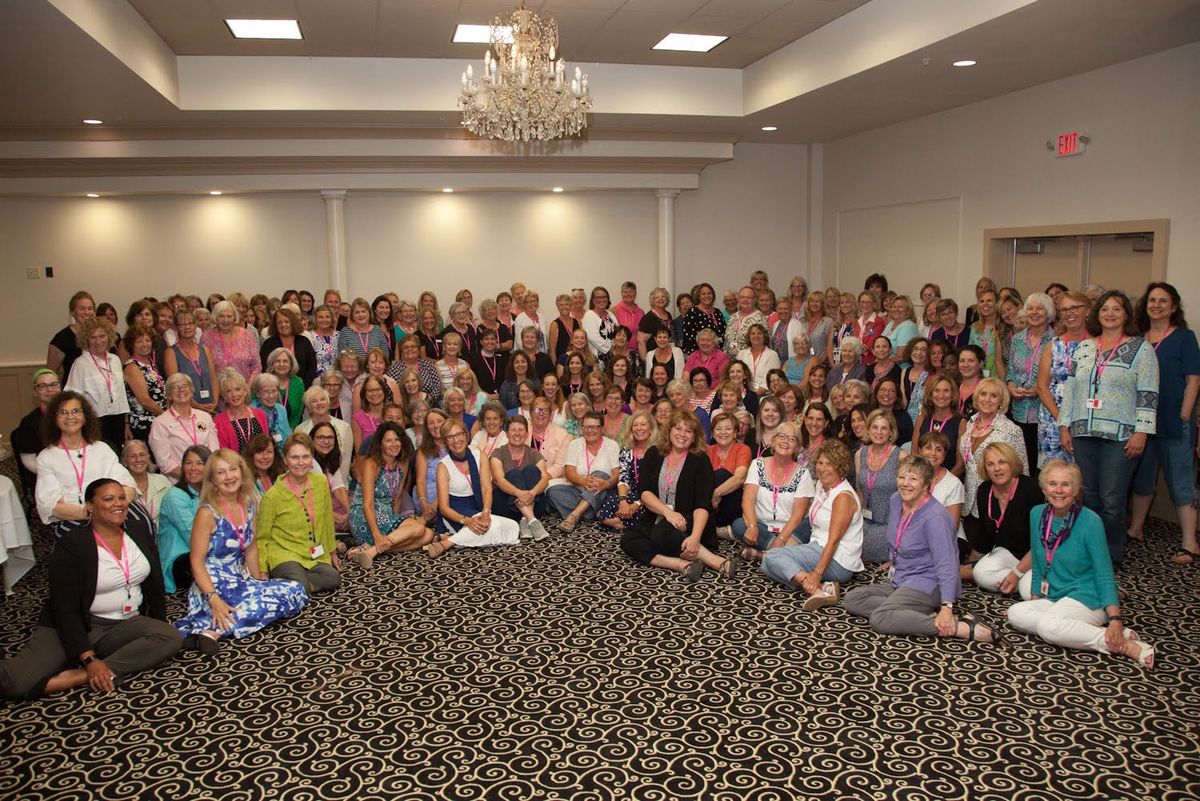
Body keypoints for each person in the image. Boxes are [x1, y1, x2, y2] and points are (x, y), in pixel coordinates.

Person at [0, 478, 182, 700]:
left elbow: (154, 585)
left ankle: (79, 676)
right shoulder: (72, 543)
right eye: (108, 499)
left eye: (122, 497)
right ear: (89, 506)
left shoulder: (137, 530)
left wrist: (156, 619)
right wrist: (88, 658)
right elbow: (64, 608)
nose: (118, 503)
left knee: (169, 637)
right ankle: (89, 662)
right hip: (78, 624)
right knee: (15, 683)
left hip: (123, 623)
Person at [1007, 460, 1154, 668]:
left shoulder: (1090, 521)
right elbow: (1039, 561)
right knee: (1016, 613)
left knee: (1049, 627)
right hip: (1056, 594)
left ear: (1076, 490)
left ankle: (1119, 644)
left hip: (1088, 596)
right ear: (1043, 488)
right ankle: (1109, 633)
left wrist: (1114, 618)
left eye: (1066, 484)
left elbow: (1104, 573)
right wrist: (1035, 601)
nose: (1058, 491)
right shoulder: (1037, 514)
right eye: (1052, 484)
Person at [844, 455, 1003, 645]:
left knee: (880, 618)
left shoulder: (935, 516)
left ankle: (958, 627)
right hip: (901, 578)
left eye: (913, 479)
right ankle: (908, 612)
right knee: (853, 599)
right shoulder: (896, 500)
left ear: (927, 484)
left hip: (928, 584)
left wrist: (946, 607)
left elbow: (948, 564)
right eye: (902, 477)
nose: (905, 483)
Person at [1057, 290, 1158, 567]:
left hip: (1121, 436)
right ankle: (1089, 552)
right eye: (1105, 309)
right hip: (1083, 432)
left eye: (1117, 309)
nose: (1110, 314)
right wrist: (1065, 425)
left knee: (1112, 500)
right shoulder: (1085, 348)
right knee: (1088, 497)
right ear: (1097, 314)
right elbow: (1072, 392)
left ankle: (1111, 557)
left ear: (1126, 314)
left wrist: (1142, 431)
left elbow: (1148, 393)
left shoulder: (1141, 349)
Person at [174, 449, 308, 654]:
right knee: (262, 602)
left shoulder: (250, 503)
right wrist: (214, 599)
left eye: (233, 469)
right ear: (212, 479)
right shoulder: (206, 513)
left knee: (295, 590)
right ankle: (215, 628)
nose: (229, 477)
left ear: (241, 471)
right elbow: (196, 562)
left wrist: (258, 580)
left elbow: (252, 548)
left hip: (240, 577)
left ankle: (214, 629)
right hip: (212, 582)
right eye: (221, 473)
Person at [1128, 282, 1200, 561]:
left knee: (1180, 481)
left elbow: (1194, 379)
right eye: (1152, 301)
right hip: (1142, 423)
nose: (1156, 305)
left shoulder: (1184, 338)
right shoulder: (1137, 338)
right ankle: (1136, 528)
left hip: (1174, 421)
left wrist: (1184, 414)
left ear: (1173, 306)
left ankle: (1189, 542)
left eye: (1163, 301)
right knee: (1142, 478)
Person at [619, 410, 731, 581]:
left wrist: (695, 537)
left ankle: (717, 562)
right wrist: (667, 513)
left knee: (660, 534)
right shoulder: (654, 453)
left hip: (689, 518)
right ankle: (680, 564)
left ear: (694, 437)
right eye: (678, 428)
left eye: (688, 431)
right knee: (628, 540)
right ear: (669, 430)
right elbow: (645, 492)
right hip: (658, 515)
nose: (682, 434)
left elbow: (703, 504)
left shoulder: (700, 460)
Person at [761, 439, 864, 609]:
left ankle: (815, 587)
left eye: (829, 464)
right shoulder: (822, 486)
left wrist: (817, 573)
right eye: (820, 463)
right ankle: (823, 588)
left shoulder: (843, 497)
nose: (822, 469)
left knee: (773, 557)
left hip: (838, 559)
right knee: (766, 564)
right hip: (818, 547)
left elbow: (833, 541)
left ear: (839, 467)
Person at [35, 392, 136, 537]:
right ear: (54, 419)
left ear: (85, 417)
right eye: (63, 413)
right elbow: (50, 506)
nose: (70, 417)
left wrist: (111, 506)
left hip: (113, 516)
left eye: (75, 411)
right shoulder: (46, 457)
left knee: (139, 530)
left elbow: (129, 487)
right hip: (73, 522)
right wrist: (91, 512)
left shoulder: (102, 449)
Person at [255, 434, 341, 595]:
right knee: (303, 584)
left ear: (312, 458)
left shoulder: (321, 482)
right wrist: (262, 570)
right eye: (295, 457)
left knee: (334, 578)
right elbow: (262, 537)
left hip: (313, 553)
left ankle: (293, 585)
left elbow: (327, 519)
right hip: (284, 553)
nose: (301, 463)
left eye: (305, 457)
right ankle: (297, 582)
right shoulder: (273, 496)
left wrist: (332, 552)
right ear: (285, 460)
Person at [425, 418, 522, 557]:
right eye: (450, 437)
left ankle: (451, 540)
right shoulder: (443, 466)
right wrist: (466, 521)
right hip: (456, 510)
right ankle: (446, 543)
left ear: (466, 435)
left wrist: (487, 512)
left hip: (479, 506)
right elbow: (444, 508)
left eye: (459, 434)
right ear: (446, 441)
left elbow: (487, 489)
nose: (456, 440)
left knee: (513, 527)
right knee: (490, 527)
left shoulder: (478, 454)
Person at [959, 378, 1030, 550]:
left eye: (994, 396)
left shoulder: (1011, 430)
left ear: (1001, 401)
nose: (987, 399)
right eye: (983, 394)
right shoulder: (970, 423)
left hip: (997, 503)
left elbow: (1022, 470)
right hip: (970, 502)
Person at [969, 442, 1042, 597]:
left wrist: (1016, 572)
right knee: (980, 573)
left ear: (1012, 463)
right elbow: (984, 537)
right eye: (990, 464)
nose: (997, 469)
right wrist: (968, 565)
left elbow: (1042, 542)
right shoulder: (984, 491)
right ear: (985, 469)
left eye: (1002, 462)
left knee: (1029, 592)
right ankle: (1018, 583)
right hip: (1008, 554)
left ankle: (1018, 582)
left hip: (1036, 555)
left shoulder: (1031, 489)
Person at [733, 421, 812, 562]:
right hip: (761, 526)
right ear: (773, 441)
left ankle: (766, 554)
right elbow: (747, 500)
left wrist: (781, 539)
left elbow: (798, 516)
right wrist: (752, 526)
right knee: (739, 525)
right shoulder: (757, 464)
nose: (786, 441)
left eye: (792, 439)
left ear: (797, 447)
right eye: (782, 436)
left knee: (810, 525)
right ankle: (784, 553)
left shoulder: (803, 473)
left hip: (790, 530)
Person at [1004, 293, 1055, 467]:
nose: (1034, 312)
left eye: (1039, 308)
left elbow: (1058, 376)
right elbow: (1010, 371)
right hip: (1018, 410)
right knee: (1020, 462)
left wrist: (1039, 389)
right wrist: (1010, 386)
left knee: (1041, 465)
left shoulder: (1056, 340)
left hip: (1044, 412)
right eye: (1030, 308)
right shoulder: (1017, 339)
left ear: (1048, 312)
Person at [548, 411, 620, 531]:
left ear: (601, 428)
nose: (589, 430)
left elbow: (617, 474)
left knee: (600, 474)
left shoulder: (612, 445)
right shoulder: (575, 444)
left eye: (593, 427)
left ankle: (574, 515)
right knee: (552, 492)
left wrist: (606, 483)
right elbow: (569, 471)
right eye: (586, 427)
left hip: (604, 490)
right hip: (579, 488)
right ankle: (592, 512)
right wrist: (583, 481)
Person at [64, 317, 128, 451]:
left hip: (118, 419)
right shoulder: (80, 364)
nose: (98, 341)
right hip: (95, 423)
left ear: (109, 336)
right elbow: (71, 398)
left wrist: (126, 423)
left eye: (102, 336)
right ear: (85, 339)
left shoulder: (115, 360)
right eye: (93, 337)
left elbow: (121, 394)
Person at [489, 414, 551, 540]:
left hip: (534, 502)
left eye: (521, 430)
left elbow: (545, 478)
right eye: (513, 430)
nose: (517, 433)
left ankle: (525, 519)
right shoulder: (498, 453)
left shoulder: (534, 453)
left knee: (532, 470)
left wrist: (532, 493)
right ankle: (532, 521)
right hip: (505, 505)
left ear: (527, 433)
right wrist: (520, 493)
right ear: (506, 433)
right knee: (513, 474)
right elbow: (499, 480)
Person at [158, 445, 209, 594]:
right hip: (179, 559)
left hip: (203, 551)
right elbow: (192, 536)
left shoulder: (210, 493)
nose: (193, 468)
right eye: (188, 463)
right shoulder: (175, 496)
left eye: (200, 463)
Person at [855, 409, 901, 564]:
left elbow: (909, 500)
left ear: (890, 432)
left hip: (890, 522)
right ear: (868, 430)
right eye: (875, 427)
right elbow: (860, 491)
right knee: (843, 539)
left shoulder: (901, 456)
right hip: (865, 519)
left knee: (867, 547)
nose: (879, 432)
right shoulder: (860, 454)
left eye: (884, 428)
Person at [12, 369, 61, 501]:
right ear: (35, 391)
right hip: (45, 476)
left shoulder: (72, 415)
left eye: (54, 384)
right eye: (43, 386)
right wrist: (57, 473)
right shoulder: (29, 424)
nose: (49, 390)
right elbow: (29, 461)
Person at [293, 385, 352, 487]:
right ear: (309, 407)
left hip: (339, 484)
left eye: (322, 399)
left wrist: (336, 486)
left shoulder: (345, 427)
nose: (319, 403)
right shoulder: (300, 430)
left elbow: (346, 460)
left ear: (328, 403)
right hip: (308, 484)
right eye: (314, 401)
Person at [707, 411, 751, 534]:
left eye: (728, 429)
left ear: (735, 432)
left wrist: (715, 494)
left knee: (721, 474)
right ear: (713, 433)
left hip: (733, 503)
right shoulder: (707, 450)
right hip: (712, 507)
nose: (723, 432)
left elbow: (739, 478)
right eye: (718, 429)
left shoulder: (742, 449)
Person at [912, 375, 963, 474]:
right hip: (922, 480)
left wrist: (940, 483)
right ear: (930, 395)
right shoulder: (921, 419)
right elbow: (914, 455)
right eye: (937, 390)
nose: (941, 395)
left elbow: (960, 465)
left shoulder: (961, 423)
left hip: (948, 481)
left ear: (953, 395)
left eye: (946, 391)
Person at [201, 300, 261, 382]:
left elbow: (257, 367)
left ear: (234, 318)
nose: (225, 320)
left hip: (244, 390)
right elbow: (202, 368)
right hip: (217, 390)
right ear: (215, 317)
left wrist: (248, 386)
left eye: (229, 316)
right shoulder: (206, 338)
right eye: (221, 316)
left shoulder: (247, 336)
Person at [260, 306, 317, 388]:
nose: (283, 325)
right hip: (274, 388)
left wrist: (303, 386)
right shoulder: (269, 344)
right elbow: (265, 367)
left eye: (287, 321)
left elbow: (312, 366)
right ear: (275, 325)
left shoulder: (304, 341)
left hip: (301, 387)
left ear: (293, 323)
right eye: (279, 322)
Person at [919, 432, 964, 531]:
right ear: (920, 451)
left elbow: (952, 527)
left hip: (944, 537)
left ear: (944, 455)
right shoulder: (911, 478)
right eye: (928, 447)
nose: (933, 453)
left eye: (938, 449)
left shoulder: (954, 484)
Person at [121, 439, 170, 529]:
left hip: (163, 537)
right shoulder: (121, 487)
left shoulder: (163, 481)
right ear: (125, 461)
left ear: (148, 457)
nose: (138, 459)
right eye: (132, 456)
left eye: (142, 455)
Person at [47, 290, 96, 378]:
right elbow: (50, 374)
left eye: (90, 308)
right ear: (73, 312)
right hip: (72, 390)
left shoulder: (100, 336)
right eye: (82, 308)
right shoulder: (61, 338)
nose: (87, 312)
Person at [969, 289, 1007, 379]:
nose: (985, 304)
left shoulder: (1004, 328)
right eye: (982, 301)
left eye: (989, 300)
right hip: (978, 380)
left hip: (1000, 380)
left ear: (997, 304)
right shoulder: (974, 328)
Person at [680, 284, 726, 355]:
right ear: (698, 296)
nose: (707, 296)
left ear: (713, 295)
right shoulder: (692, 312)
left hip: (717, 355)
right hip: (699, 355)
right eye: (703, 294)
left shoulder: (718, 312)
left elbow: (724, 333)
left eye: (709, 293)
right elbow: (689, 338)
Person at [250, 372, 292, 448]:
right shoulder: (251, 410)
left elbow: (287, 436)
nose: (271, 396)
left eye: (274, 391)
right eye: (266, 392)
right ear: (258, 393)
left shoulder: (281, 409)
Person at [852, 291, 887, 366]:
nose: (865, 305)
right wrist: (858, 346)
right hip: (855, 362)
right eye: (862, 302)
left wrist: (856, 346)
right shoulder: (856, 322)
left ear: (874, 304)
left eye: (868, 302)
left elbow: (870, 346)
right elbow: (851, 342)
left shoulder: (878, 322)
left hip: (871, 363)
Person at [637, 287, 674, 358]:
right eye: (657, 297)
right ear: (652, 301)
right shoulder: (648, 318)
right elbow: (641, 342)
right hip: (654, 358)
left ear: (667, 299)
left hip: (668, 355)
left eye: (663, 296)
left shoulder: (668, 315)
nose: (660, 299)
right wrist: (646, 362)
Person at [881, 295, 920, 360]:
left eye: (900, 307)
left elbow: (901, 356)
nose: (896, 309)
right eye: (894, 307)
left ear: (908, 310)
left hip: (899, 367)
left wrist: (884, 366)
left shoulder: (908, 326)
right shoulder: (891, 323)